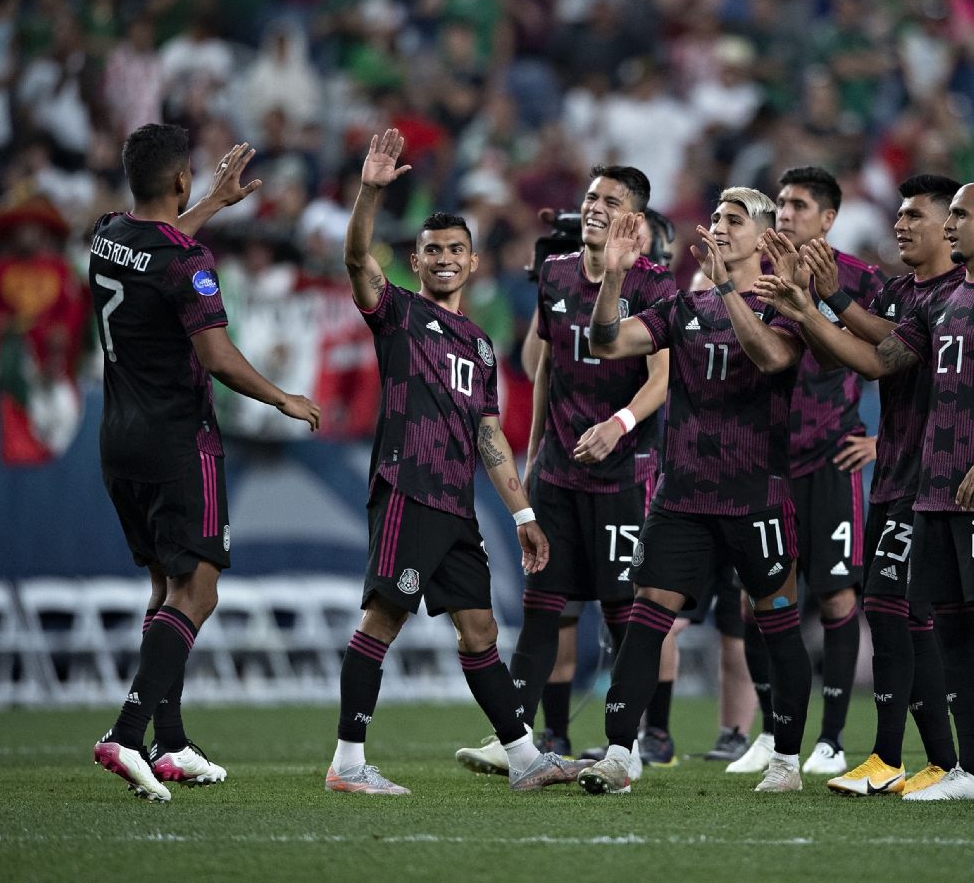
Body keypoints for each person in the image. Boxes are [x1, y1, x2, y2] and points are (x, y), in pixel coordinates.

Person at [761, 181, 974, 803]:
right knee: (954, 629)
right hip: (933, 490)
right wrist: (814, 305)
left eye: (957, 215)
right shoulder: (941, 302)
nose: (947, 226)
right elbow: (880, 358)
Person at [327, 130, 586, 796]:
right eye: (433, 250)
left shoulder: (478, 342)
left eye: (455, 251)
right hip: (407, 487)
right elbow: (357, 258)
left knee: (479, 628)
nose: (444, 259)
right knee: (382, 619)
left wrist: (522, 511)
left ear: (472, 263)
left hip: (454, 502)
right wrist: (370, 194)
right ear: (415, 261)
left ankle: (525, 758)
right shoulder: (398, 315)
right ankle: (348, 764)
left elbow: (490, 436)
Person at [90, 126, 322, 803]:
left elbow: (154, 248)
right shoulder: (188, 262)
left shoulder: (107, 233)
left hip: (117, 439)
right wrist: (282, 397)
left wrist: (214, 202)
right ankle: (128, 733)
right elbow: (217, 358)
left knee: (167, 586)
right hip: (176, 439)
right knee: (201, 592)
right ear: (181, 180)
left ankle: (172, 743)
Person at [577, 190, 814, 794]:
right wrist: (612, 279)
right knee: (646, 620)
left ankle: (786, 758)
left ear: (762, 238)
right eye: (715, 220)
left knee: (776, 623)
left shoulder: (786, 304)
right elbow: (606, 342)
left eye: (734, 221)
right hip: (681, 498)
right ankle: (620, 753)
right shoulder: (679, 307)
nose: (718, 229)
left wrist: (728, 288)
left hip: (756, 496)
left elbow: (768, 358)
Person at [453, 166, 675, 773]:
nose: (596, 206)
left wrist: (619, 425)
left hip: (624, 474)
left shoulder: (658, 285)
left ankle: (624, 749)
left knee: (623, 612)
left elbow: (660, 380)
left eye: (611, 200)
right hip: (557, 474)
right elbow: (544, 368)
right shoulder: (554, 274)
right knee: (543, 606)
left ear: (635, 217)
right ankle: (517, 743)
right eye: (591, 197)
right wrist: (530, 459)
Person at [767, 173, 965, 797]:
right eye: (899, 215)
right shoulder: (902, 290)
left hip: (930, 475)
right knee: (896, 611)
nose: (900, 224)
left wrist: (822, 302)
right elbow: (838, 353)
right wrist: (810, 306)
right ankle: (922, 760)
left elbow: (885, 358)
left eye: (915, 216)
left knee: (943, 616)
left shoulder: (956, 295)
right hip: (891, 476)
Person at [725, 166, 884, 778]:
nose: (786, 213)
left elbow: (905, 358)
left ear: (828, 218)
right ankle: (772, 733)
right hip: (764, 462)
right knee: (758, 596)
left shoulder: (860, 281)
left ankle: (833, 740)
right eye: (782, 203)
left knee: (838, 592)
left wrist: (883, 439)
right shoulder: (752, 274)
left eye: (799, 205)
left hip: (831, 458)